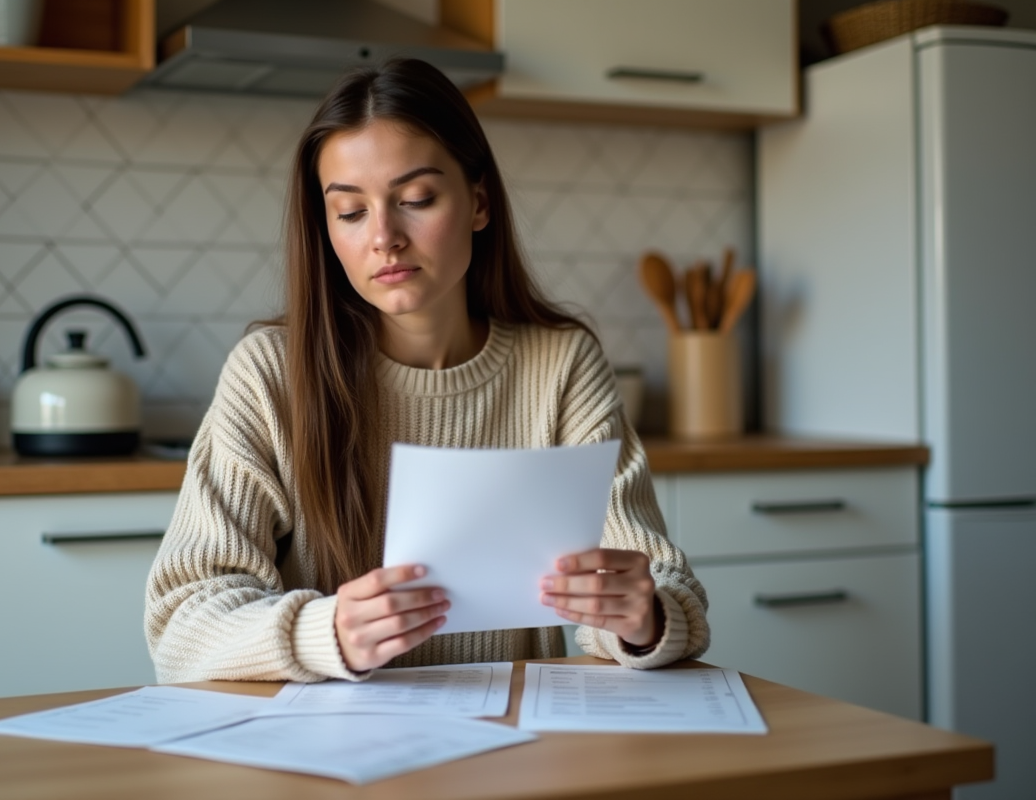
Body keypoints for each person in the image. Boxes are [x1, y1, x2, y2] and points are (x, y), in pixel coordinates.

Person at [145, 57, 709, 683]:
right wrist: (324, 633)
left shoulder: (562, 364)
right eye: (351, 212)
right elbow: (180, 625)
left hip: (516, 732)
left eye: (416, 199)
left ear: (479, 202)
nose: (384, 236)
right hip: (330, 738)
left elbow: (663, 579)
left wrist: (643, 617)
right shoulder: (268, 374)